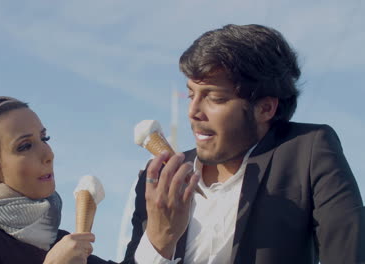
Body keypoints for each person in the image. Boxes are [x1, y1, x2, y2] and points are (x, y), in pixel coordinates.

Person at [123, 24, 365, 264]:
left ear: (265, 108)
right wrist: (158, 242)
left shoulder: (307, 151)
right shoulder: (158, 182)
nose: (193, 111)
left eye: (215, 98)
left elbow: (348, 253)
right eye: (191, 94)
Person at [0, 97, 114, 264]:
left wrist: (143, 203)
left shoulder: (64, 245)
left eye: (44, 138)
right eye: (25, 146)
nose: (48, 154)